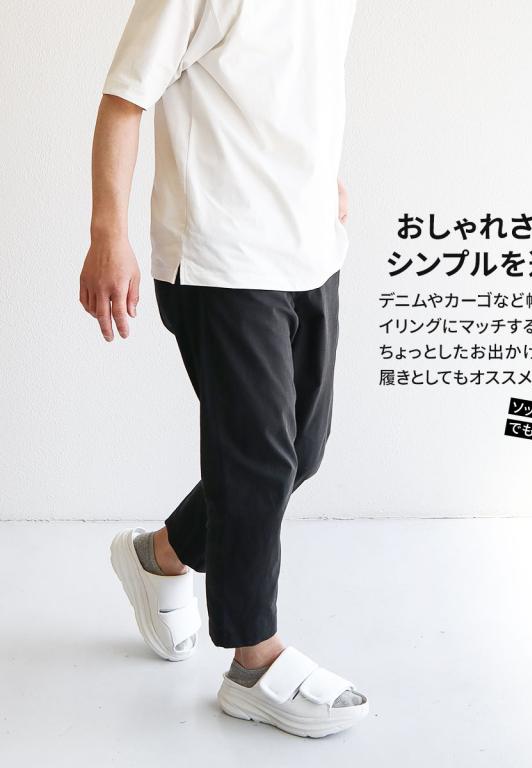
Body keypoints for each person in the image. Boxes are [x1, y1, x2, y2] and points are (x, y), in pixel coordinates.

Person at [79, 0, 368, 738]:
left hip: (309, 243)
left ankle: (161, 555)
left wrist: (322, 175)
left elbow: (296, 86)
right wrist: (109, 234)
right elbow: (124, 98)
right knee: (258, 462)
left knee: (301, 451)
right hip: (221, 255)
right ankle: (253, 661)